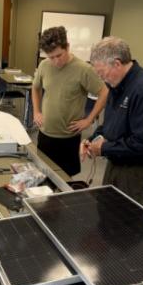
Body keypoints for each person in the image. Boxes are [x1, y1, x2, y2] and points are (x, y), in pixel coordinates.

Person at [81, 36, 143, 206]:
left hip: (137, 168)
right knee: (106, 207)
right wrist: (93, 139)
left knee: (126, 219)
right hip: (118, 158)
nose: (102, 79)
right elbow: (111, 124)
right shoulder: (116, 84)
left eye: (102, 73)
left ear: (117, 63)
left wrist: (104, 148)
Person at [32, 26, 108, 177]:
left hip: (68, 138)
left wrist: (89, 120)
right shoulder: (44, 65)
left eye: (59, 55)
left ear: (67, 46)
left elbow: (104, 92)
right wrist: (36, 111)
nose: (55, 61)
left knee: (64, 180)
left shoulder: (83, 69)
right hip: (45, 134)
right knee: (41, 177)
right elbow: (35, 88)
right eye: (51, 57)